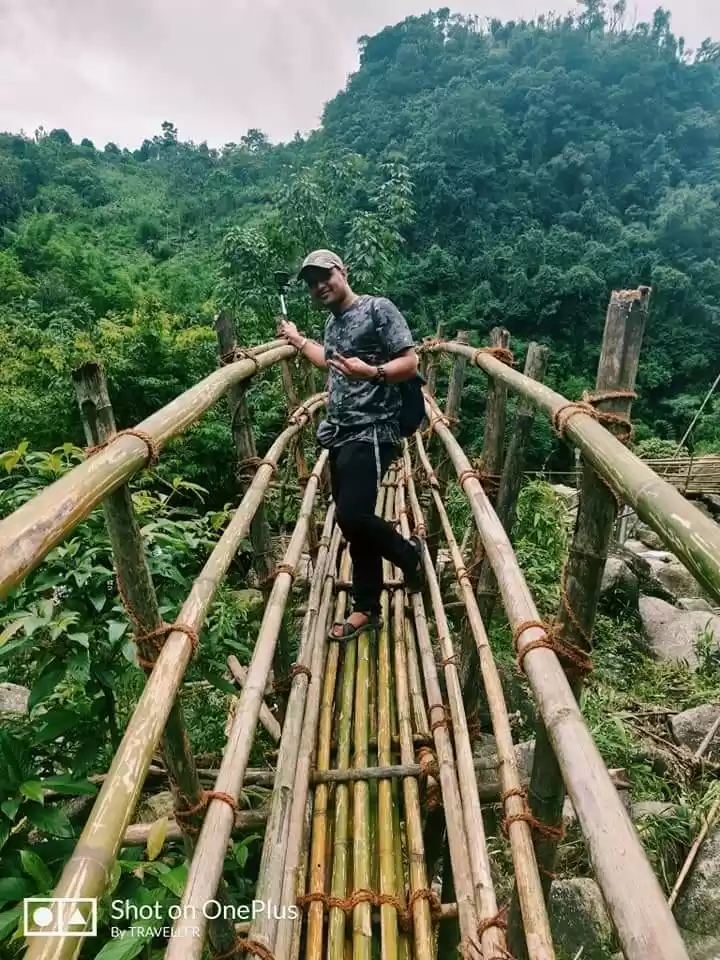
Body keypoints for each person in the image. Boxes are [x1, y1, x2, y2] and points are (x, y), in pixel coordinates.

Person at [279, 248, 425, 640]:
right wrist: (296, 339)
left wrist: (372, 371)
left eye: (324, 276)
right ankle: (366, 608)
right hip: (340, 431)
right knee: (353, 524)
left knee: (352, 515)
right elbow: (328, 362)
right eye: (311, 283)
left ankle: (410, 556)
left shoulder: (379, 309)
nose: (318, 286)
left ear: (342, 271)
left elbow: (410, 363)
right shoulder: (331, 325)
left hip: (375, 430)